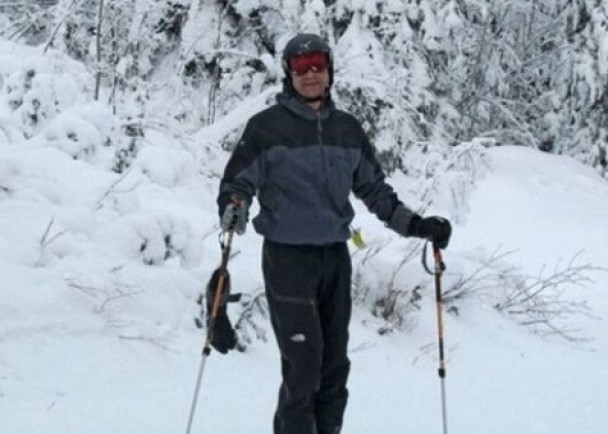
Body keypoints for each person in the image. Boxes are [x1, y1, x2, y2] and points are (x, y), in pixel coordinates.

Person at [215, 33, 452, 434]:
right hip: (287, 259)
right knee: (304, 368)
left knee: (334, 368)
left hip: (334, 259)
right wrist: (234, 207)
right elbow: (237, 183)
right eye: (300, 68)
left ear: (329, 71)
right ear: (288, 74)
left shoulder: (347, 129)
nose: (310, 75)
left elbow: (375, 190)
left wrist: (417, 225)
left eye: (317, 66)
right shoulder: (266, 128)